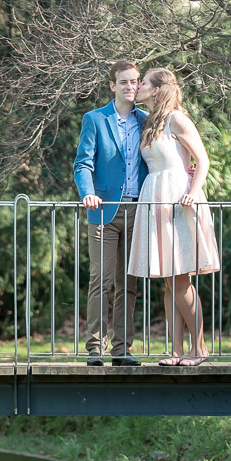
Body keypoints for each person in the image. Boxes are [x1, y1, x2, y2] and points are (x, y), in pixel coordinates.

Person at [127, 68, 220, 366]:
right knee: (169, 280)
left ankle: (200, 349)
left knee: (181, 278)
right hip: (155, 197)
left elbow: (202, 160)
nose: (138, 86)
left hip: (179, 198)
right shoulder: (149, 121)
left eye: (143, 82)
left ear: (156, 90)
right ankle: (176, 351)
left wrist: (193, 191)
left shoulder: (177, 119)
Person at [74, 60, 148, 366]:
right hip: (103, 210)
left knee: (128, 284)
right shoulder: (95, 119)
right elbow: (83, 163)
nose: (130, 87)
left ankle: (122, 350)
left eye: (135, 81)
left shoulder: (146, 120)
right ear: (112, 86)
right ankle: (95, 349)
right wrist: (87, 192)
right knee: (100, 281)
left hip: (138, 210)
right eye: (124, 82)